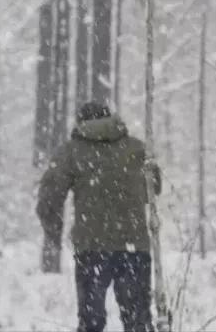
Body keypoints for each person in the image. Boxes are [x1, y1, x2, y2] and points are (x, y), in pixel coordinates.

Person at [37, 102, 161, 332]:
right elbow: (153, 189)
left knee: (91, 322)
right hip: (134, 247)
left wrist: (53, 232)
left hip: (92, 249)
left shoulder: (71, 151)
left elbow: (49, 197)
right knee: (137, 322)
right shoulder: (137, 149)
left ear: (80, 122)